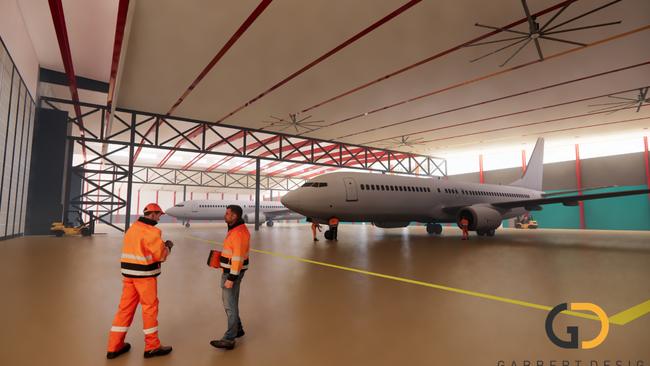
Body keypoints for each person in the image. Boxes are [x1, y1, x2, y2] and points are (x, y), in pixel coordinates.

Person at [106, 203, 174, 359]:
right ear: (152, 214)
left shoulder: (133, 228)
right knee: (149, 308)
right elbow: (160, 256)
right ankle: (152, 346)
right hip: (145, 276)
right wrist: (168, 246)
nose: (159, 218)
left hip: (129, 276)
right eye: (158, 215)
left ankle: (114, 347)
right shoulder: (152, 231)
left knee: (125, 309)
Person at [210, 204, 250, 350]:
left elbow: (238, 257)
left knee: (229, 306)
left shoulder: (238, 233)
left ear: (234, 216)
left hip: (232, 274)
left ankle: (229, 338)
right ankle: (238, 329)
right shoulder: (235, 229)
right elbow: (233, 252)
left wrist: (231, 278)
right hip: (232, 271)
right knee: (232, 301)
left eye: (227, 214)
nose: (225, 216)